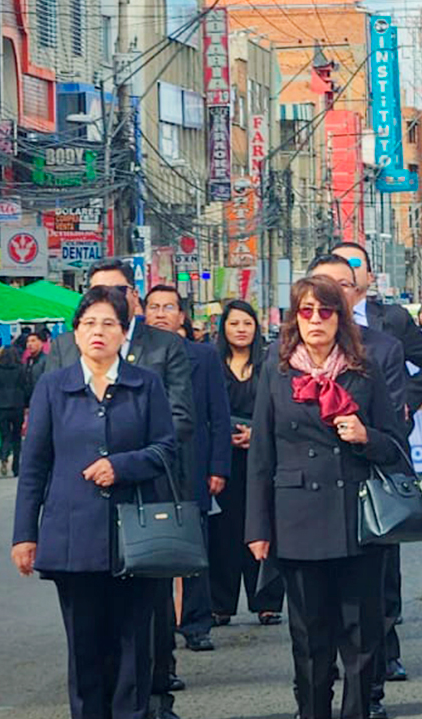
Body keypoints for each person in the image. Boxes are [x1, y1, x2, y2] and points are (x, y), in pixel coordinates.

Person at [35, 259, 194, 719]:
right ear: (76, 332)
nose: (98, 331)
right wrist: (25, 535)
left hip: (135, 534)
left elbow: (167, 446)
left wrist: (121, 467)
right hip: (73, 537)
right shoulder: (53, 385)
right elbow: (35, 466)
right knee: (83, 650)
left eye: (109, 323)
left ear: (126, 331)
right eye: (89, 323)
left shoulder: (145, 385)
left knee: (132, 648)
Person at [248, 276, 409, 719]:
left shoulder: (365, 370)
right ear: (293, 319)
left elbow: (398, 448)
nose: (315, 320)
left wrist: (366, 435)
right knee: (310, 639)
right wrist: (258, 528)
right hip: (297, 519)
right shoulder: (276, 370)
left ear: (341, 318)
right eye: (306, 311)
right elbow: (261, 453)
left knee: (361, 638)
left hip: (357, 519)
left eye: (325, 311)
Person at [331, 242, 422, 686]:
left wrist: (404, 403)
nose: (347, 275)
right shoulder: (308, 325)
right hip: (327, 459)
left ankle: (386, 653)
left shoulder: (393, 321)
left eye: (354, 266)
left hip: (381, 452)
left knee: (383, 561)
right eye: (338, 267)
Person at [146, 283, 233, 655]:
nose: (161, 314)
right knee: (152, 550)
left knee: (194, 546)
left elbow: (218, 414)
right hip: (148, 466)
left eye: (169, 307)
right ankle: (158, 626)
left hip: (192, 463)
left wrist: (218, 466)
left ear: (182, 315)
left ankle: (197, 622)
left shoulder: (203, 356)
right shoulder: (133, 356)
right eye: (154, 307)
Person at [209, 300, 285, 627]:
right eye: (234, 323)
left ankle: (266, 601)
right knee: (222, 533)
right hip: (222, 458)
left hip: (263, 455)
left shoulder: (271, 362)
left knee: (263, 524)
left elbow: (280, 407)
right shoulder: (211, 363)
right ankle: (220, 604)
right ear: (223, 328)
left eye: (247, 324)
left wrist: (257, 435)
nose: (241, 329)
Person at [0, 331, 38, 477]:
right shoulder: (21, 368)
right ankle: (16, 467)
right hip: (17, 404)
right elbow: (26, 387)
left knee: (5, 435)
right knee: (17, 436)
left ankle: (4, 456)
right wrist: (26, 404)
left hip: (1, 405)